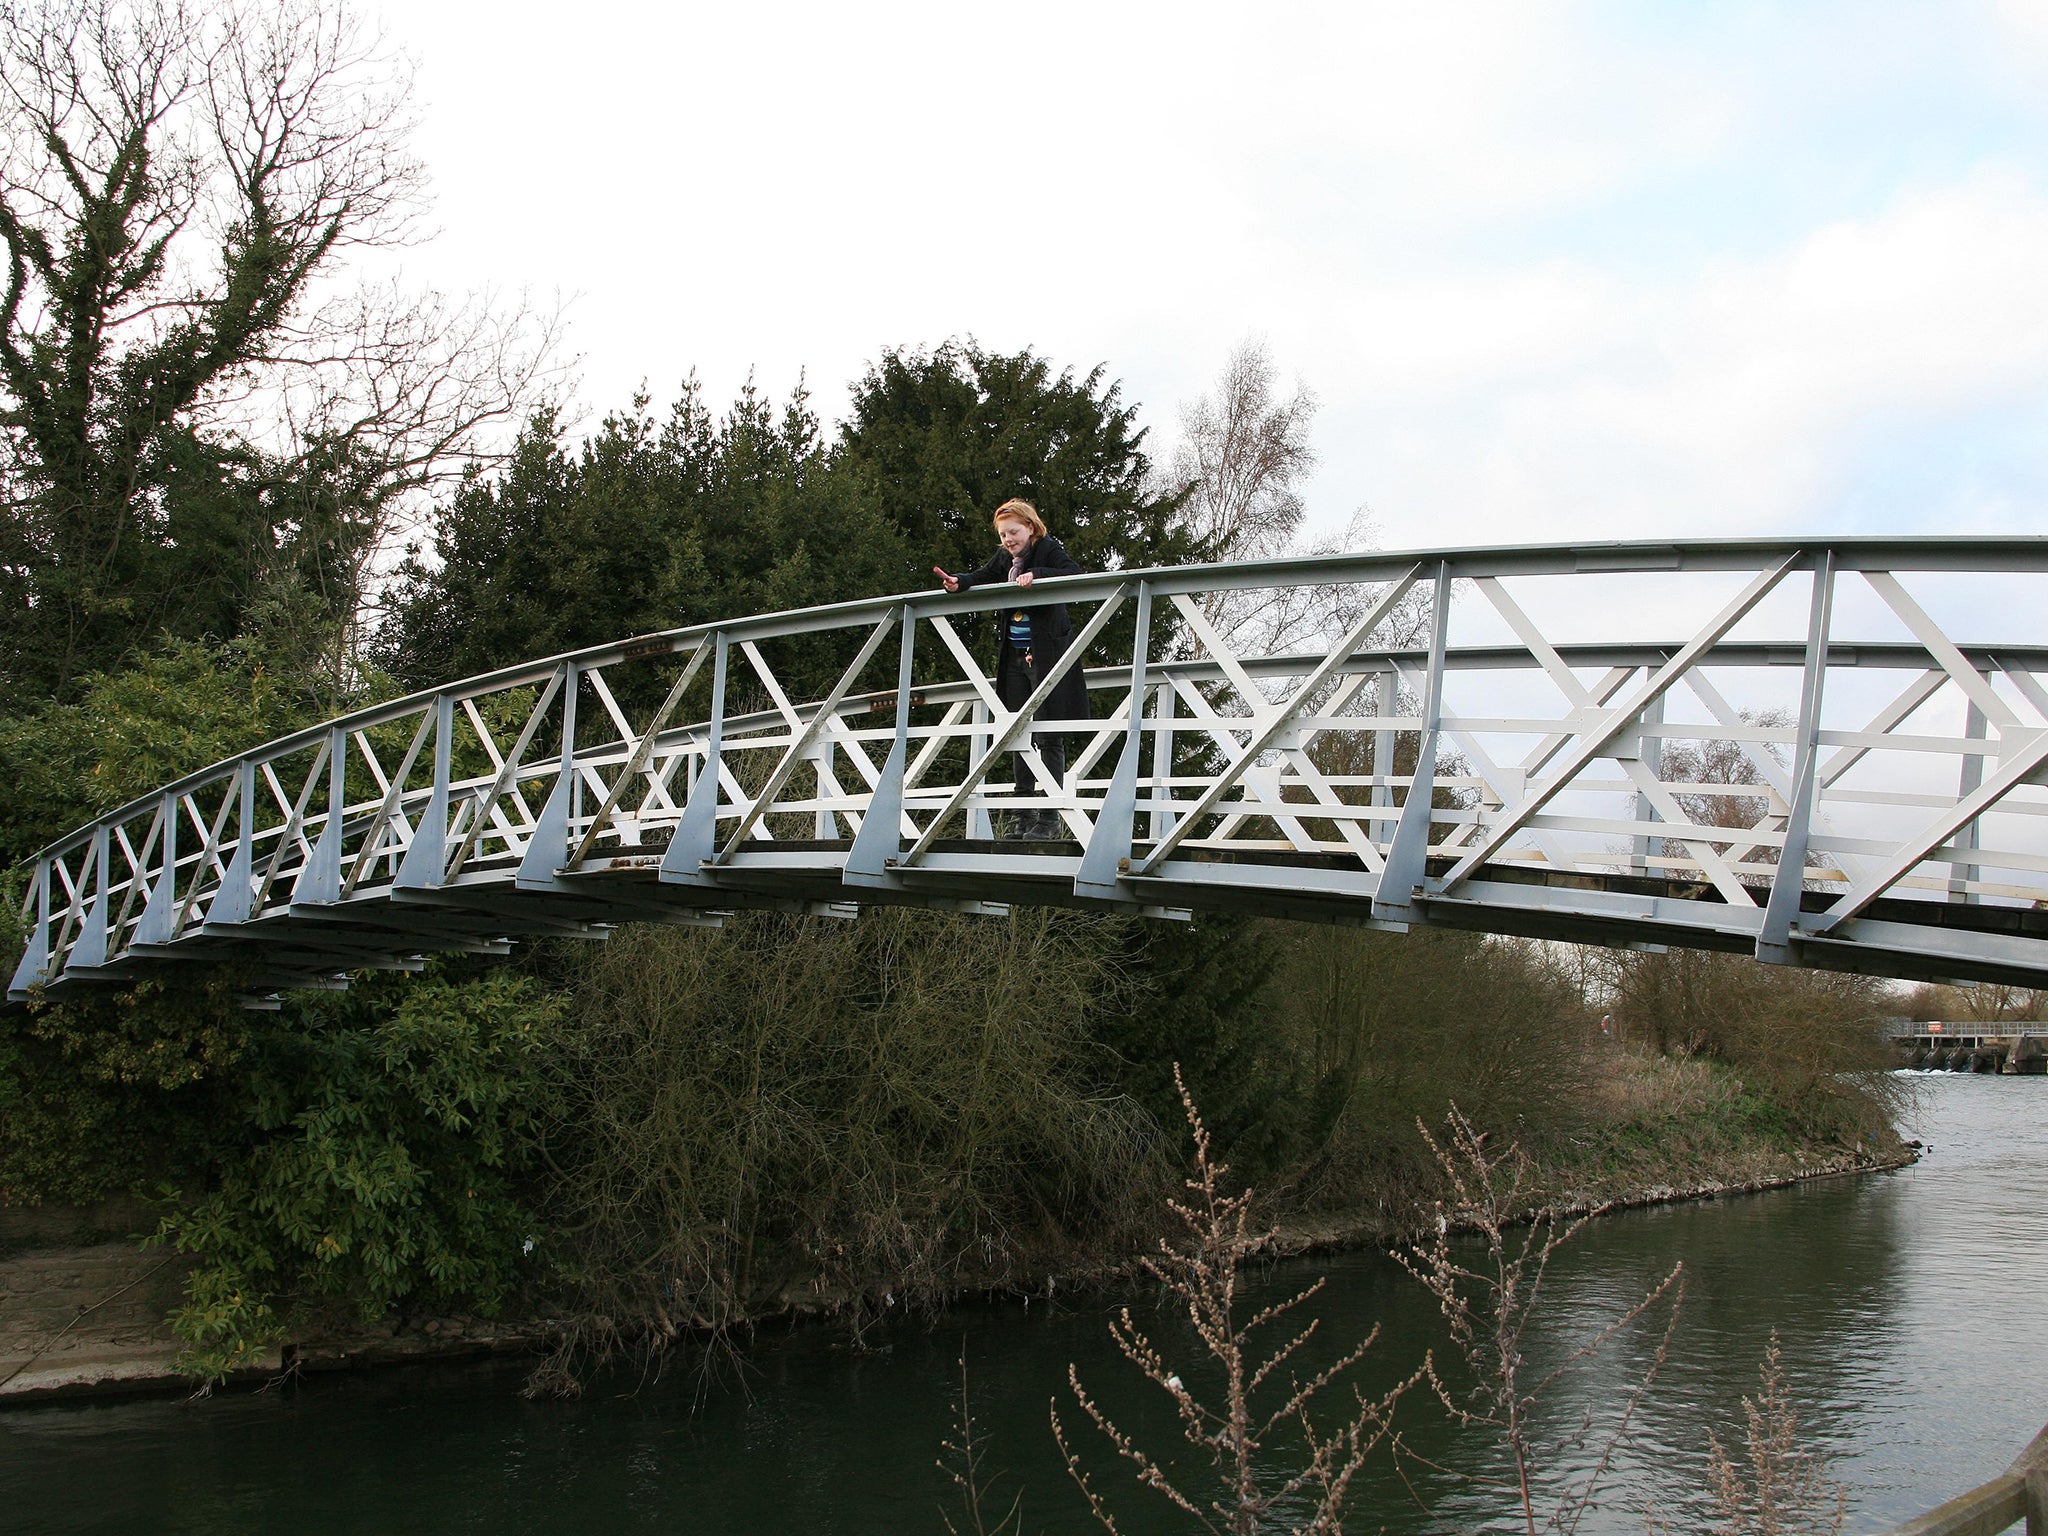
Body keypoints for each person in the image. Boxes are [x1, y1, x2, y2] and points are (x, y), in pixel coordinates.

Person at [934, 499, 1087, 839]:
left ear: (1031, 528)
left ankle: (1048, 822)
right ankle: (1023, 820)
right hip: (1015, 657)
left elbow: (1076, 573)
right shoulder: (1006, 557)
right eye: (1003, 534)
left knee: (1049, 736)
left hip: (1046, 654)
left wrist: (1039, 576)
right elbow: (983, 575)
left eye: (1014, 532)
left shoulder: (1047, 549)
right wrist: (959, 582)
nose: (1008, 539)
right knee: (1017, 735)